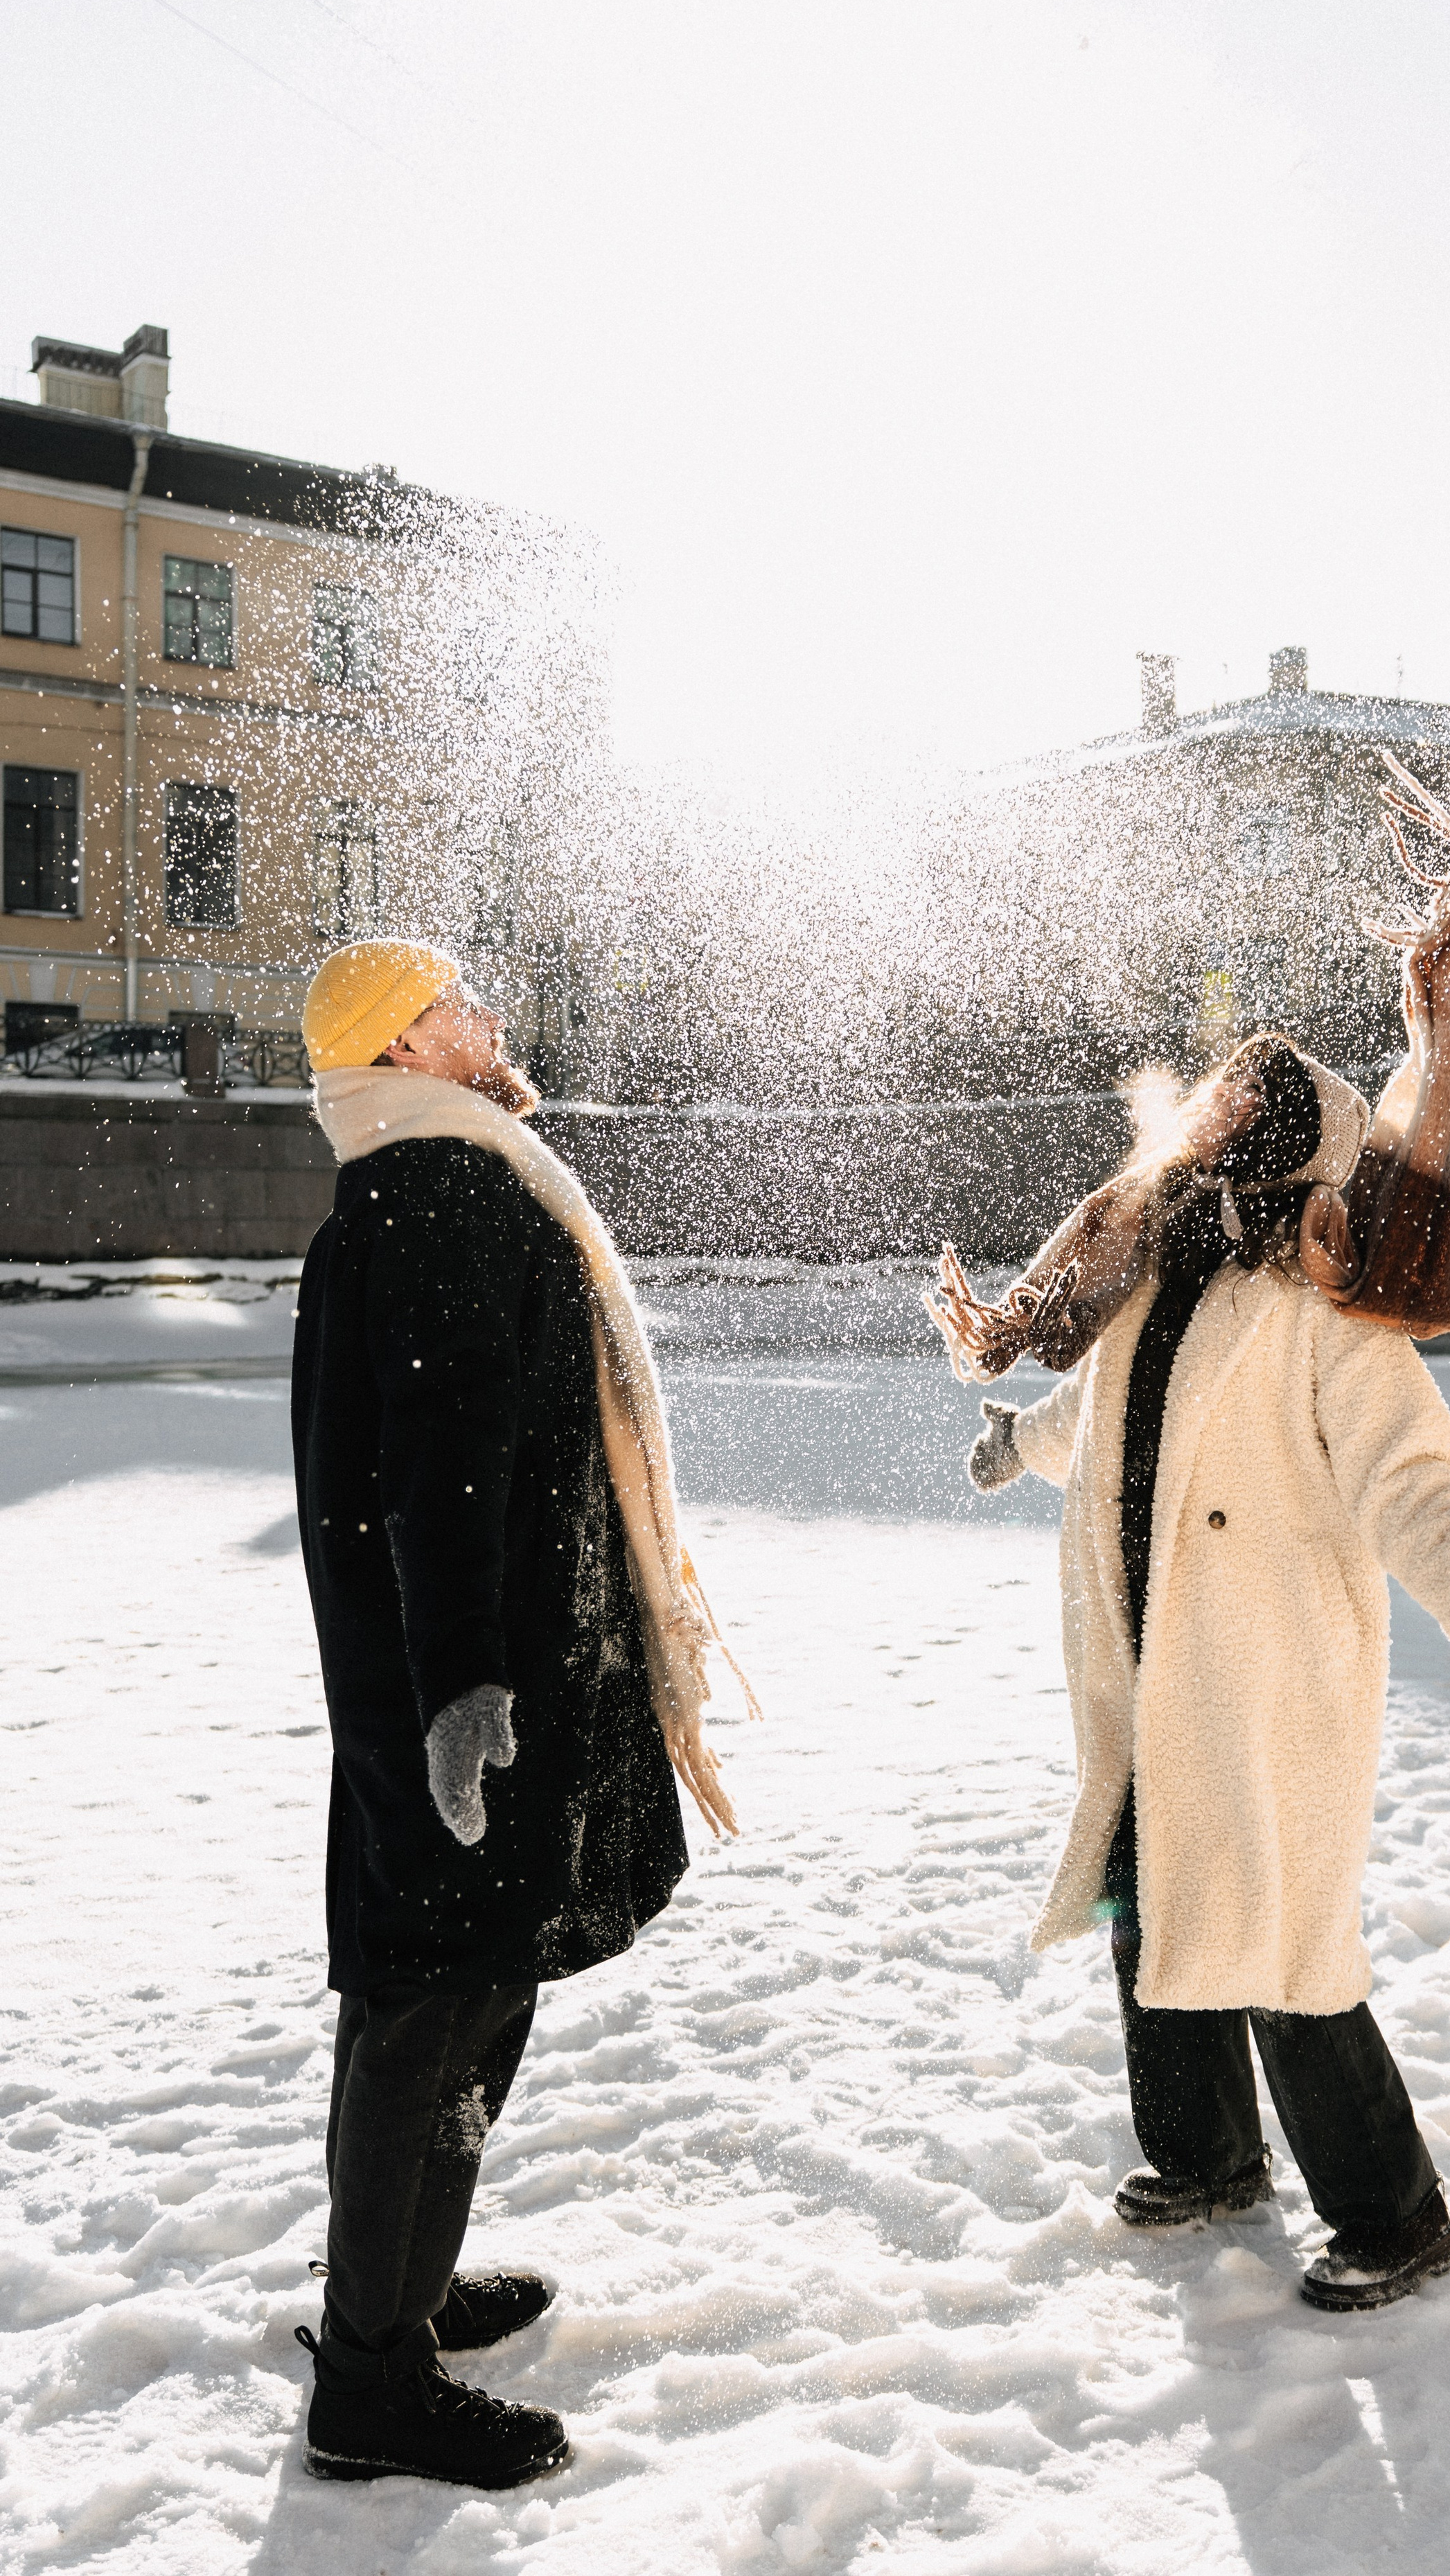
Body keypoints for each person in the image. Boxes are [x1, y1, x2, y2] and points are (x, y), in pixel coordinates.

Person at [960, 1032, 1450, 2311]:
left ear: (1303, 1131)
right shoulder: (1152, 1269)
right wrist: (1017, 1445)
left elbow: (1402, 1473)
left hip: (1261, 1678)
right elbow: (1098, 1412)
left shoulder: (1328, 1307)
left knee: (1288, 1954)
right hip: (1148, 1667)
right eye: (1224, 1084)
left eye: (1260, 1090)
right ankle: (1206, 2158)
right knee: (1147, 1916)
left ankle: (1399, 2217)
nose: (1225, 1099)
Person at [290, 938, 743, 2487]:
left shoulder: (413, 1176)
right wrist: (470, 1680)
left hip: (439, 1671)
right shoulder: (441, 1185)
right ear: (404, 1047)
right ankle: (370, 2375)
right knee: (441, 1994)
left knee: (448, 1983)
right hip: (466, 1683)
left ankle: (396, 2295)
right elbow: (442, 1454)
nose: (488, 1019)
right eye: (459, 1001)